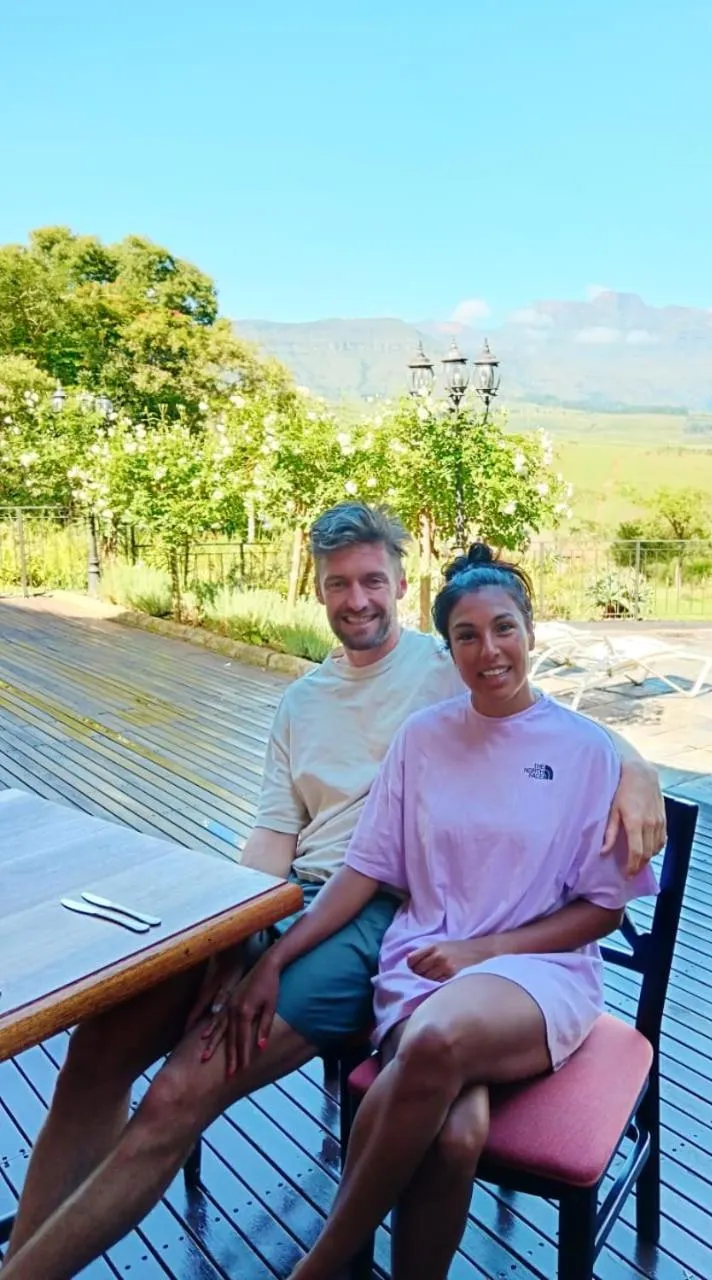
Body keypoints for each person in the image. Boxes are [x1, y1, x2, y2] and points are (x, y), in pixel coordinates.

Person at [0, 504, 665, 1280]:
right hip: (283, 901)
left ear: (401, 584)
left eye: (373, 580)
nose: (357, 600)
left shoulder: (443, 661)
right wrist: (234, 937)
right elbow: (272, 839)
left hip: (379, 911)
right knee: (99, 1048)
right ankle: (26, 1252)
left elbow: (535, 717)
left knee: (179, 1092)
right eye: (338, 584)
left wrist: (636, 764)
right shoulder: (301, 701)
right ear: (315, 591)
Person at [215, 541, 660, 1280]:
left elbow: (604, 912)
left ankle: (320, 1266)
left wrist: (481, 954)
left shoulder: (587, 753)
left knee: (438, 1037)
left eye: (504, 628)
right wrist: (278, 957)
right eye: (467, 635)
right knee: (457, 1138)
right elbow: (363, 872)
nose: (489, 650)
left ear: (531, 632)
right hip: (422, 964)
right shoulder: (423, 739)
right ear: (445, 651)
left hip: (537, 974)